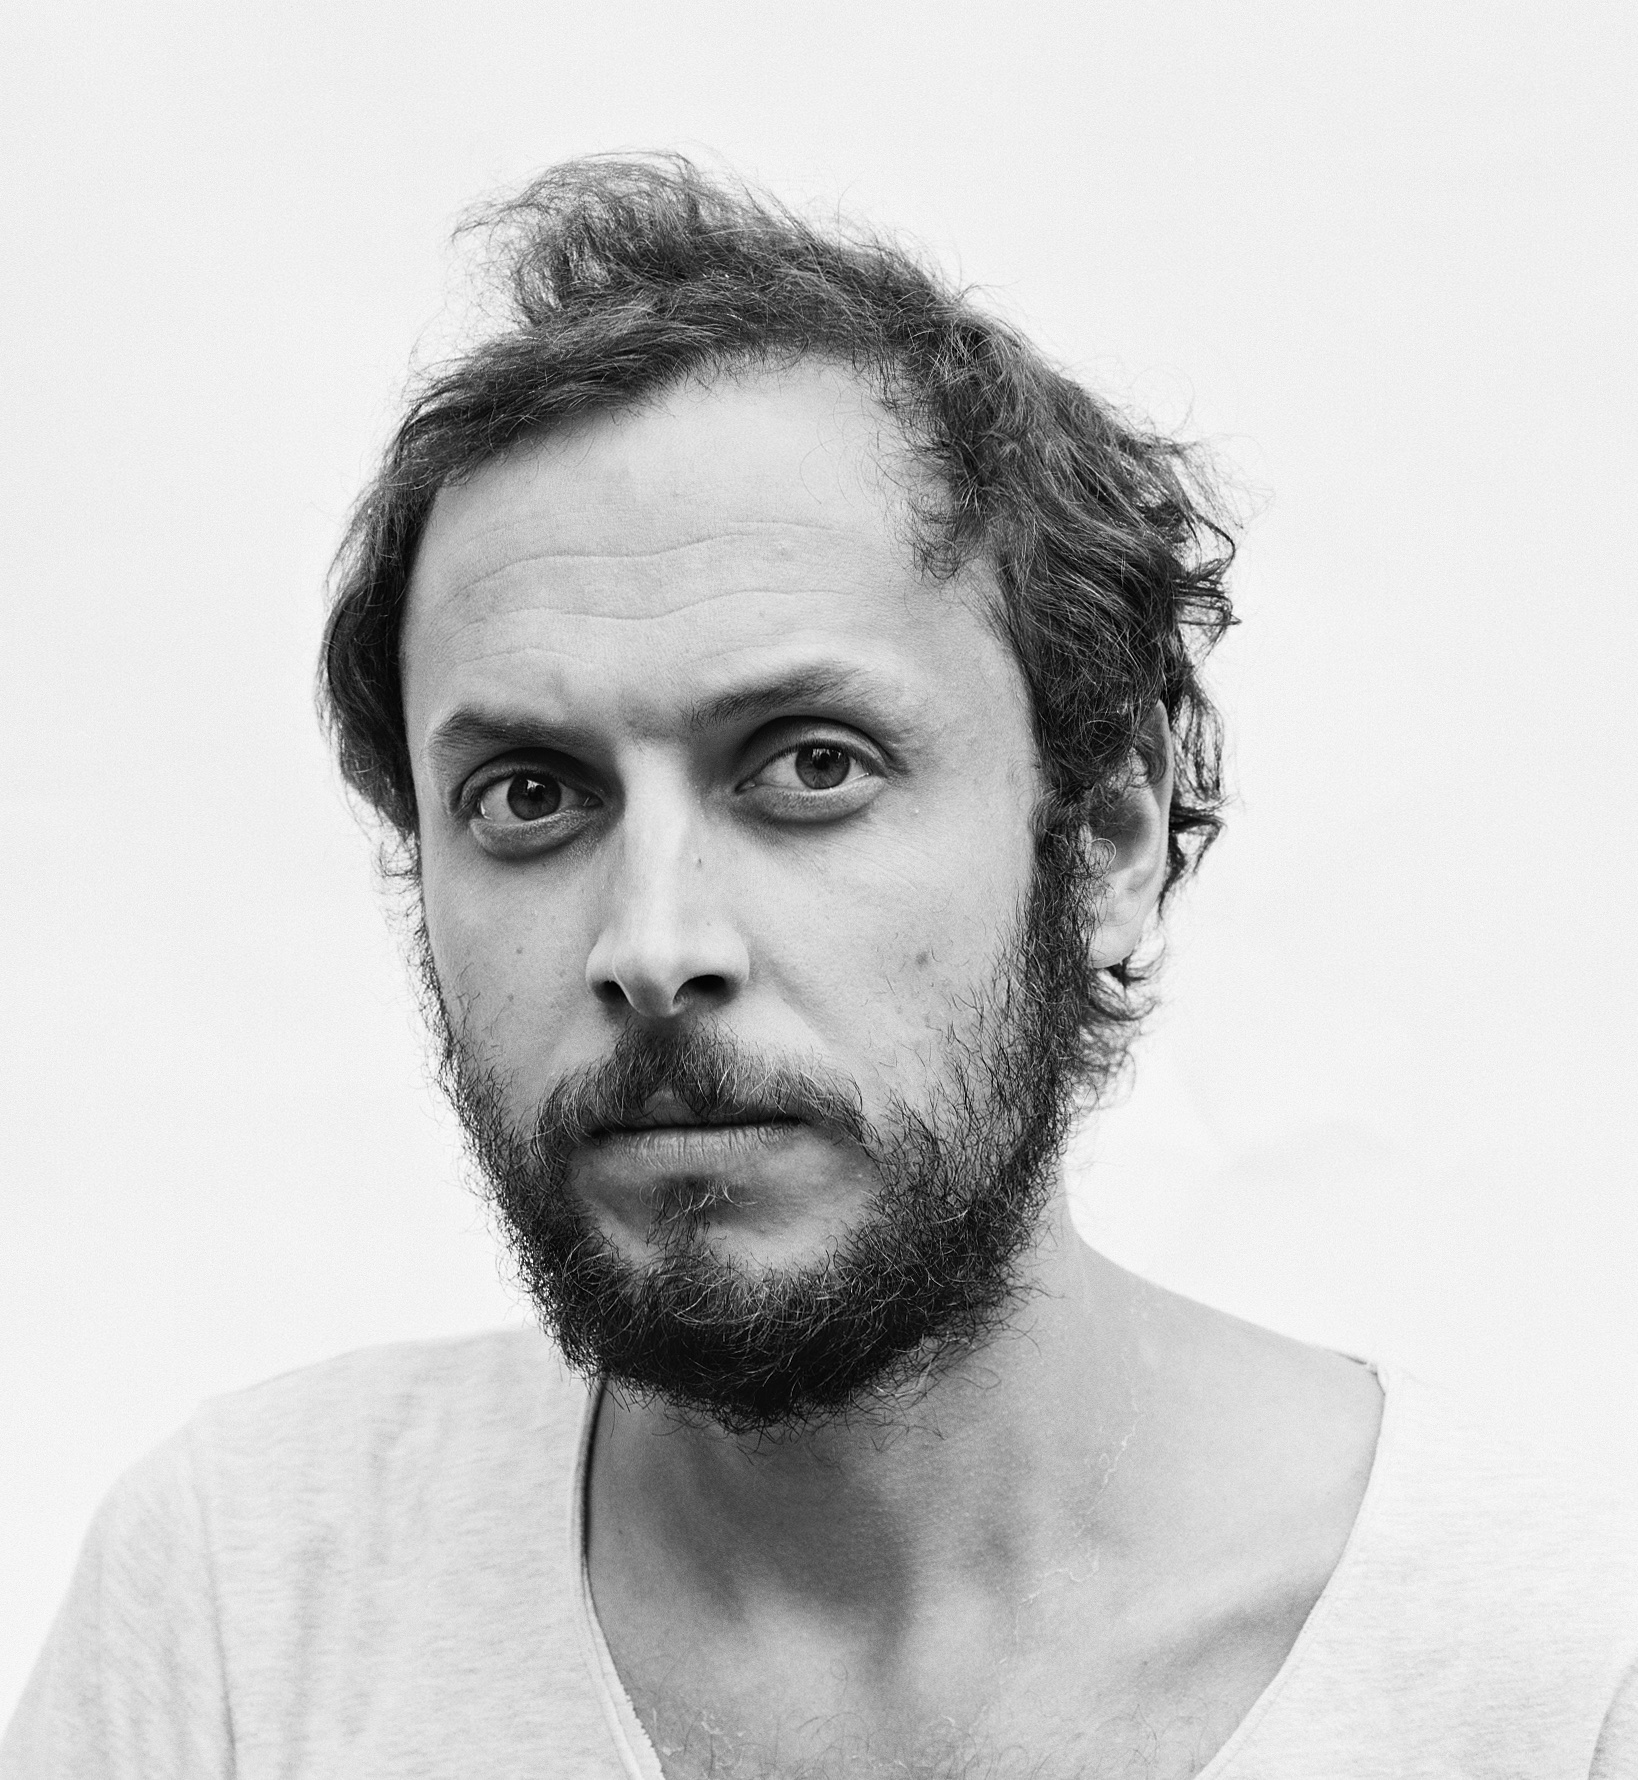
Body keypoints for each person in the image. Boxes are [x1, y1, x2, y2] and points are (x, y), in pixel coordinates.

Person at [4, 155, 1634, 1780]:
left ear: (1105, 843)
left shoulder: (1561, 1673)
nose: (653, 945)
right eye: (528, 798)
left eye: (810, 767)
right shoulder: (248, 1606)